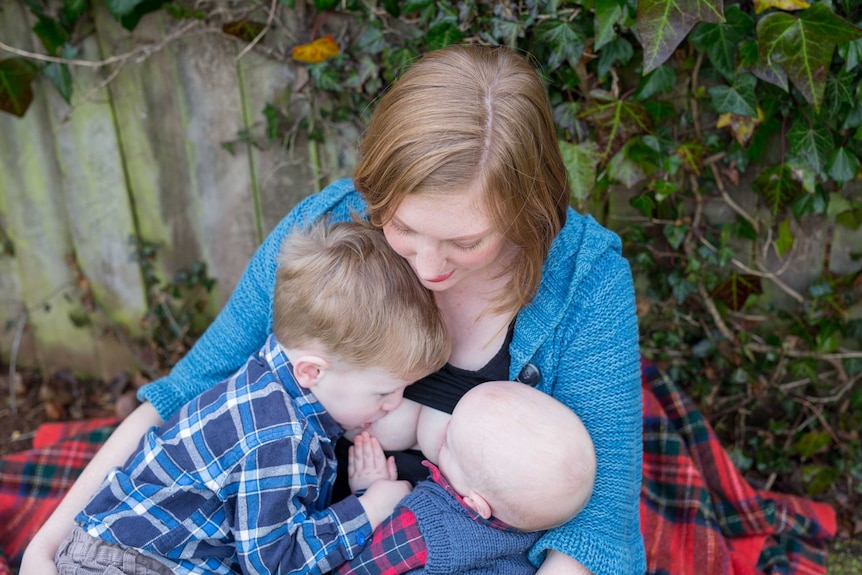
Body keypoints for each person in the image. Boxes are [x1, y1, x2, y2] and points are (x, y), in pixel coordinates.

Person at [23, 44, 645, 575]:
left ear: (526, 210)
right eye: (403, 227)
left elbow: (598, 529)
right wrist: (46, 547)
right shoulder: (331, 231)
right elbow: (186, 394)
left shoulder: (583, 282)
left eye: (466, 242)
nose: (428, 267)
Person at [52, 221, 451, 575]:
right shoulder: (278, 436)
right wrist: (370, 509)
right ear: (312, 371)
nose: (394, 403)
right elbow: (275, 564)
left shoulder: (267, 380)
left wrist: (362, 489)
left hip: (125, 549)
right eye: (384, 391)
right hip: (130, 564)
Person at [337, 380, 597, 575]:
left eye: (449, 443)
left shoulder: (425, 525)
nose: (444, 427)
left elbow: (356, 569)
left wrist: (367, 493)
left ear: (476, 503)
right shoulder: (530, 529)